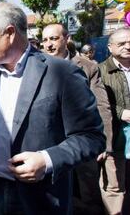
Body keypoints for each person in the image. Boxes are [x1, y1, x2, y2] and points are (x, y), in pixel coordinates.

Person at [0, 2, 106, 215]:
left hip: (42, 197)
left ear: (10, 33)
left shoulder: (63, 73)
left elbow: (92, 136)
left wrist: (47, 160)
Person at [42, 23, 111, 215]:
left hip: (82, 142)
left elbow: (101, 106)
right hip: (51, 144)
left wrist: (102, 142)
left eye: (53, 38)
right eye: (45, 39)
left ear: (67, 39)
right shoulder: (36, 66)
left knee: (89, 195)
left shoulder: (88, 67)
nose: (48, 44)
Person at [98, 28, 130, 215]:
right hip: (116, 136)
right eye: (122, 43)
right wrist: (120, 112)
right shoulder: (100, 70)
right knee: (114, 184)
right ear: (110, 47)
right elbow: (97, 104)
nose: (128, 46)